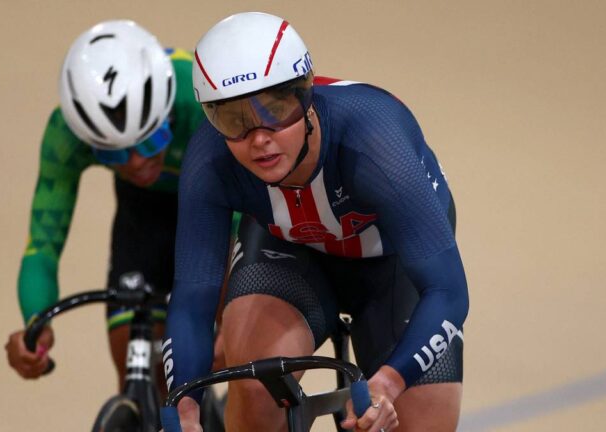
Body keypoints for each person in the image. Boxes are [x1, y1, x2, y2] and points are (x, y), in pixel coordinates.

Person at [163, 12, 469, 432]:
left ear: (305, 95)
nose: (259, 137)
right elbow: (192, 302)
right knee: (255, 387)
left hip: (392, 262)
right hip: (291, 251)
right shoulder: (211, 161)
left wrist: (389, 382)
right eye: (234, 120)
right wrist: (184, 403)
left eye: (275, 109)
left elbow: (449, 291)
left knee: (417, 423)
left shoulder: (374, 144)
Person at [4, 20, 209, 392]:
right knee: (141, 371)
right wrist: (35, 324)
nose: (134, 163)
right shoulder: (66, 133)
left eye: (151, 140)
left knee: (237, 349)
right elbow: (42, 247)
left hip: (216, 210)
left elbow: (247, 214)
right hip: (142, 218)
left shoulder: (199, 98)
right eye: (112, 152)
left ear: (168, 114)